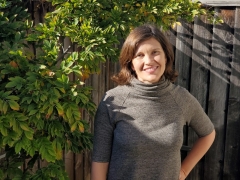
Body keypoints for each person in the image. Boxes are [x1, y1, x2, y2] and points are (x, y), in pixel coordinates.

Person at [91, 24, 215, 180]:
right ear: (131, 63)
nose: (149, 61)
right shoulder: (113, 101)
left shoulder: (181, 99)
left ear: (166, 57)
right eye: (139, 55)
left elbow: (208, 134)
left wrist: (183, 172)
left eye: (155, 52)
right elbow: (100, 159)